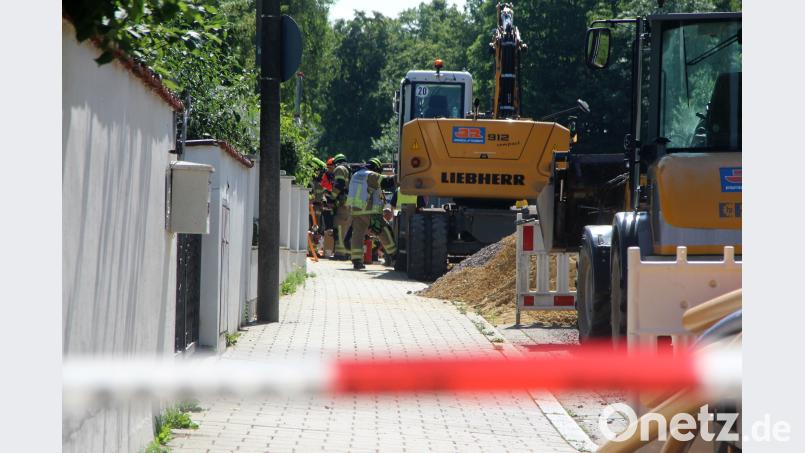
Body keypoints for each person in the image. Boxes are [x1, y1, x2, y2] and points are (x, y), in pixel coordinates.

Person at [346, 158, 397, 270]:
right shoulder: (370, 175)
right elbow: (386, 183)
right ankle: (394, 255)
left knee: (358, 234)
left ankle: (357, 261)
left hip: (356, 210)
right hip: (369, 210)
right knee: (384, 230)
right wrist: (400, 177)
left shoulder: (355, 175)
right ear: (376, 168)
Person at [329, 153, 352, 260]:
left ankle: (340, 254)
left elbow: (339, 184)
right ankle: (344, 253)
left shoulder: (340, 169)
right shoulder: (348, 169)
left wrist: (331, 198)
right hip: (348, 203)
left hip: (342, 204)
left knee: (339, 227)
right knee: (345, 227)